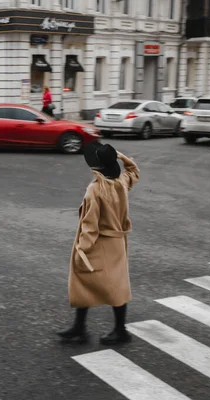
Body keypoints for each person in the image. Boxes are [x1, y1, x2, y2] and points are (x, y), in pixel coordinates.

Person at [58, 142, 139, 345]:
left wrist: (82, 249)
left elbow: (90, 224)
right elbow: (133, 171)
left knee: (83, 280)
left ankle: (82, 329)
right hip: (118, 242)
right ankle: (115, 329)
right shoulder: (121, 182)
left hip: (100, 242)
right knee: (116, 285)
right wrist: (121, 156)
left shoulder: (95, 189)